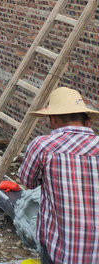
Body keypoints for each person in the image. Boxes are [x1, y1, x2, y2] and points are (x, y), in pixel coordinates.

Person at [18, 86, 99, 264]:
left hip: (59, 247)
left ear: (53, 119)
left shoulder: (43, 146)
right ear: (88, 121)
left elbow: (27, 182)